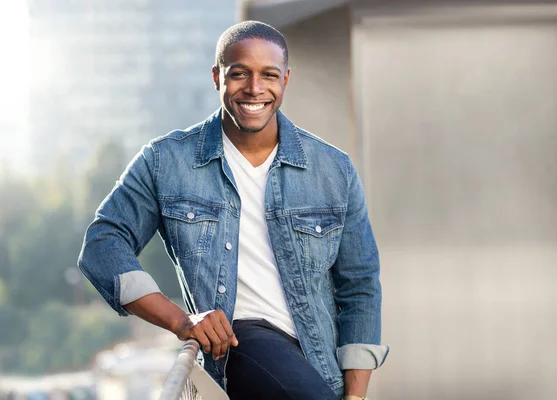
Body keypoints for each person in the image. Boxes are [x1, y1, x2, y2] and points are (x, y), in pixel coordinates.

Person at [78, 20, 388, 400]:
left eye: (269, 75)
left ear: (286, 80)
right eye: (239, 73)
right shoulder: (166, 161)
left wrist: (354, 396)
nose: (255, 88)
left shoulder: (333, 170)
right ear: (217, 77)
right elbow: (102, 245)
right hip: (240, 345)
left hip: (318, 370)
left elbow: (360, 287)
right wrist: (181, 320)